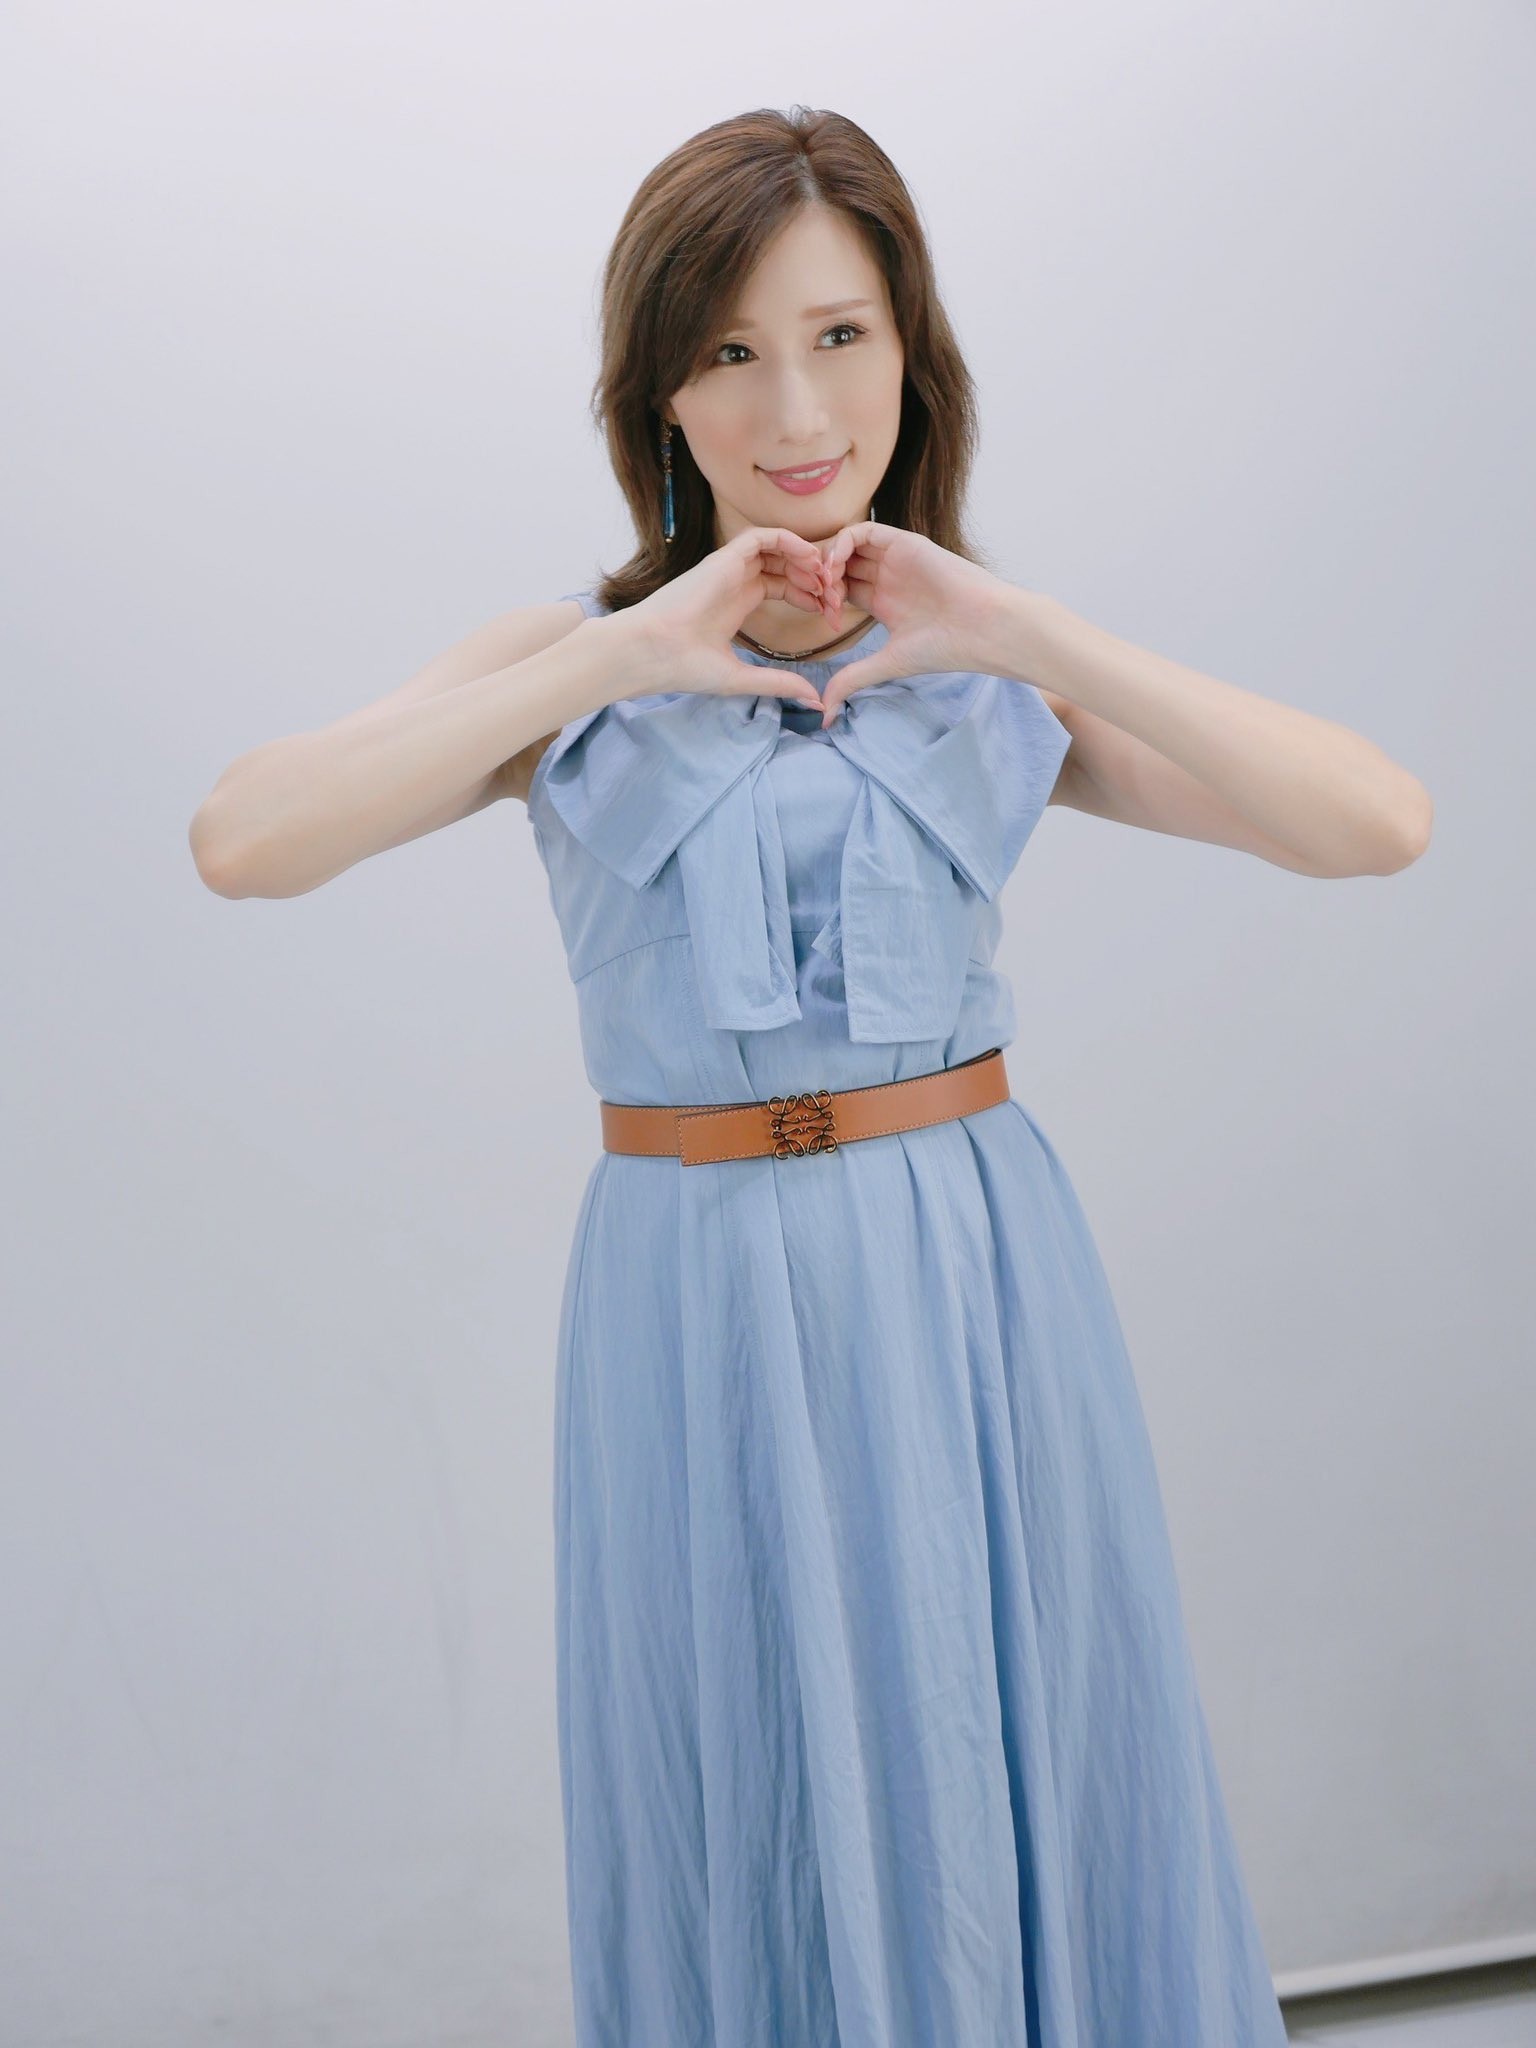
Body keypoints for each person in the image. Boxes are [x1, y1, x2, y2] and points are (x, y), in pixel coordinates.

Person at [190, 107, 1432, 2048]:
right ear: (661, 394)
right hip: (688, 1293)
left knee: (1012, 1740)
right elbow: (246, 839)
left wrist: (1016, 623)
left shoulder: (984, 671)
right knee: (739, 1769)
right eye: (732, 349)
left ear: (911, 353)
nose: (795, 407)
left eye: (843, 335)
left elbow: (1376, 822)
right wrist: (617, 661)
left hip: (971, 1280)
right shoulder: (574, 669)